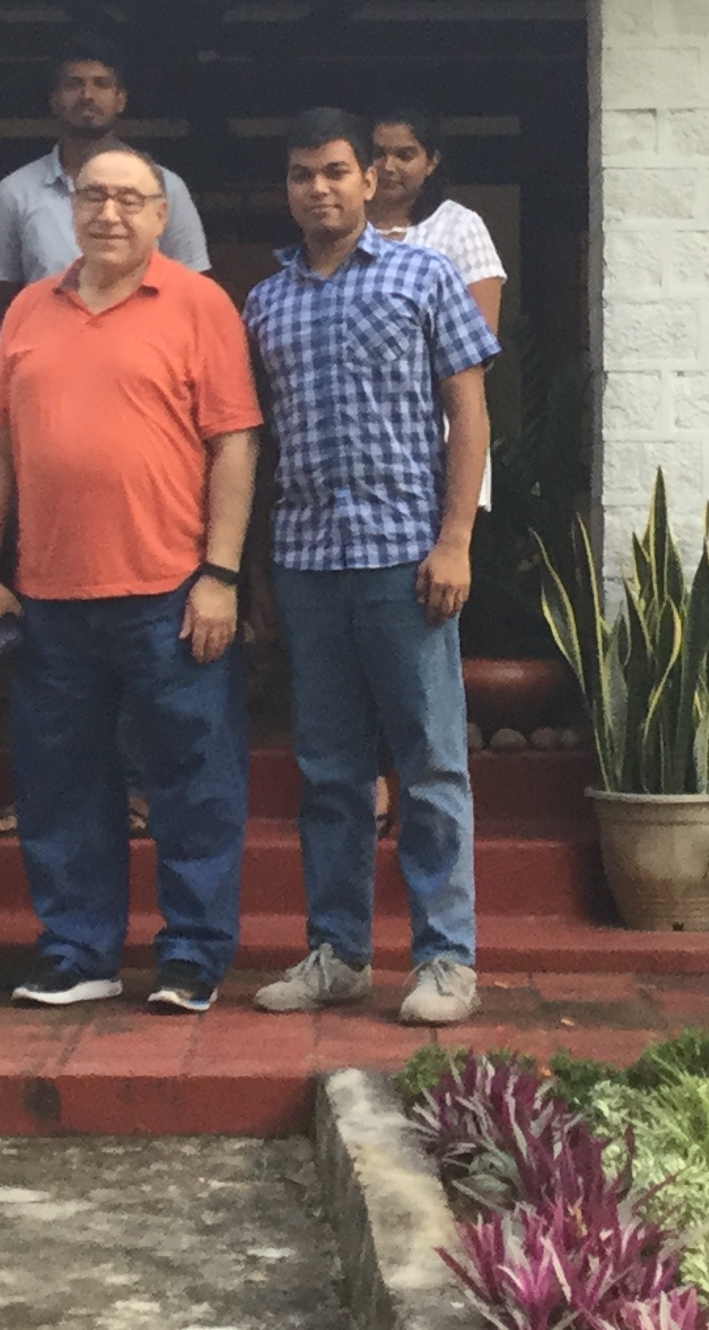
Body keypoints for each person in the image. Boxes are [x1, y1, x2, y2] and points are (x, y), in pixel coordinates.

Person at [0, 144, 260, 1014]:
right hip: (50, 595)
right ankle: (77, 952)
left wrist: (221, 574)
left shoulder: (199, 304)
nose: (110, 213)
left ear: (162, 216)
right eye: (94, 196)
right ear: (71, 209)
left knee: (194, 783)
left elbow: (234, 444)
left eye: (131, 199)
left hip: (171, 590)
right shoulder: (30, 308)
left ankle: (192, 956)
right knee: (60, 785)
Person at [245, 108, 498, 1028]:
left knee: (429, 766)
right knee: (328, 770)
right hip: (309, 560)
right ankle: (338, 953)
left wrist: (455, 539)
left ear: (368, 180)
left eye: (335, 172)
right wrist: (258, 574)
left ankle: (445, 959)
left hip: (407, 559)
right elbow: (259, 445)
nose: (319, 188)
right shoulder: (263, 303)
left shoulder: (425, 276)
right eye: (301, 174)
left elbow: (468, 413)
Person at [0, 35, 211, 299]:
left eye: (101, 84)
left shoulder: (165, 188)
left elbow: (195, 289)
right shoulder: (15, 192)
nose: (87, 95)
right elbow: (0, 298)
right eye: (73, 84)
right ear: (54, 100)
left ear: (120, 99)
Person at [366, 107, 505, 337]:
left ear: (431, 163)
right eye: (378, 153)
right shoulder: (344, 227)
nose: (388, 166)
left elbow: (480, 340)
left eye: (404, 156)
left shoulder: (459, 227)